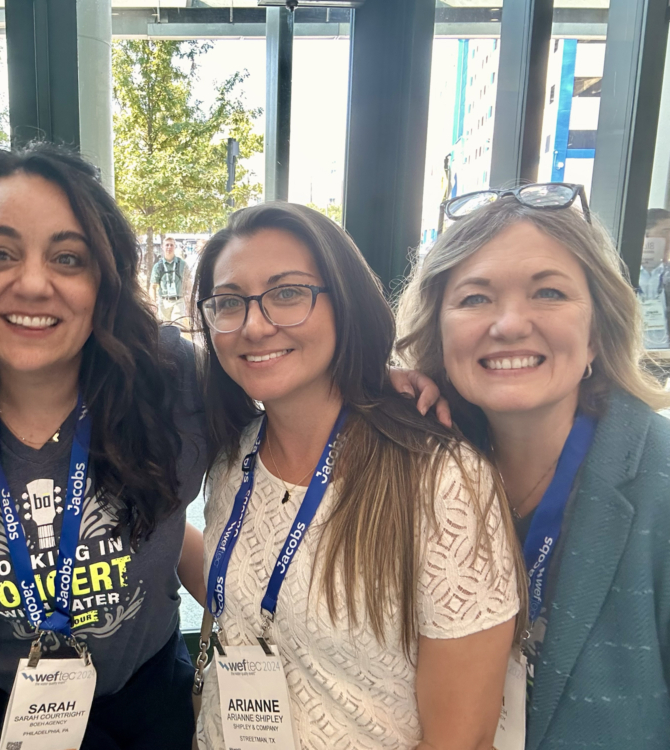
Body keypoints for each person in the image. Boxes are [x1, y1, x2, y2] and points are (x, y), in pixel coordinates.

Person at [193, 202, 524, 750]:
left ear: (344, 302)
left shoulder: (440, 480)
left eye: (288, 293)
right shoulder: (234, 458)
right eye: (228, 302)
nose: (254, 325)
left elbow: (461, 739)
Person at [0, 144, 207, 750]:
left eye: (68, 258)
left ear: (106, 280)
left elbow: (295, 399)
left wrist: (378, 387)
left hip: (152, 709)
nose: (32, 284)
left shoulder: (172, 378)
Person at [397, 184, 670, 748]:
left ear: (596, 333)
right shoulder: (416, 467)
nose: (509, 324)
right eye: (475, 298)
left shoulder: (659, 486)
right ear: (438, 332)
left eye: (548, 292)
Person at [639, 208, 670, 349]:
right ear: (646, 236)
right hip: (631, 355)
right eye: (666, 231)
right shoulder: (622, 273)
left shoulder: (667, 275)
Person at [150, 236, 190, 324]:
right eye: (167, 245)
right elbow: (153, 286)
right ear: (162, 247)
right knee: (166, 328)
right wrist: (153, 303)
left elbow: (188, 283)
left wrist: (189, 300)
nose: (169, 247)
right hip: (164, 302)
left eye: (171, 245)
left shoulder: (182, 264)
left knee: (177, 326)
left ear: (175, 246)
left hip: (178, 300)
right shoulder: (158, 266)